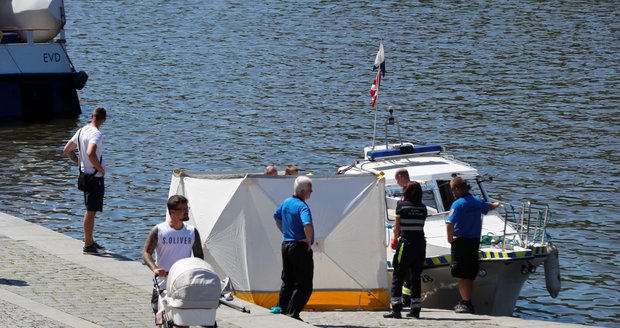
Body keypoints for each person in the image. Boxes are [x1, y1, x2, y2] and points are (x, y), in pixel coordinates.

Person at [142, 195, 204, 328]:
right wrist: (155, 268)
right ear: (172, 212)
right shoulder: (159, 230)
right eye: (182, 209)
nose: (186, 211)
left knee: (183, 321)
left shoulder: (192, 232)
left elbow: (199, 258)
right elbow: (146, 253)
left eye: (186, 208)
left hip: (183, 284)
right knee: (162, 321)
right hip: (163, 283)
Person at [446, 176, 500, 314]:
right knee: (469, 274)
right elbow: (490, 206)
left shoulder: (458, 204)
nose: (452, 193)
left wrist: (450, 239)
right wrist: (497, 203)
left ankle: (466, 303)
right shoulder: (477, 201)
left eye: (452, 190)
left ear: (458, 189)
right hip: (474, 242)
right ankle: (467, 301)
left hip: (461, 241)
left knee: (461, 274)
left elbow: (450, 223)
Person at [63, 107, 108, 255]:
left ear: (92, 116)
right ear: (104, 120)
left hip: (83, 176)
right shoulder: (96, 134)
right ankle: (88, 245)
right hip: (94, 178)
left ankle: (90, 240)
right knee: (91, 211)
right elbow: (90, 152)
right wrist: (100, 168)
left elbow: (67, 149)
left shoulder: (82, 130)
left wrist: (78, 162)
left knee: (90, 210)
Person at [272, 176, 314, 321]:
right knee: (304, 284)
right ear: (303, 191)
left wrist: (285, 232)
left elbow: (276, 217)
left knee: (288, 280)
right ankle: (292, 314)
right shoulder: (302, 206)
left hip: (286, 245)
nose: (312, 191)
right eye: (310, 188)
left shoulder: (286, 202)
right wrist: (308, 241)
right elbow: (307, 224)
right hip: (299, 247)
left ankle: (281, 309)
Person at [384, 182, 427, 319]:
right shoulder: (423, 208)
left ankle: (396, 309)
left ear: (406, 192)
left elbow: (397, 227)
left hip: (406, 243)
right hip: (420, 244)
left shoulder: (401, 206)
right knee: (416, 276)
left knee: (399, 274)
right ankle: (415, 310)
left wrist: (395, 239)